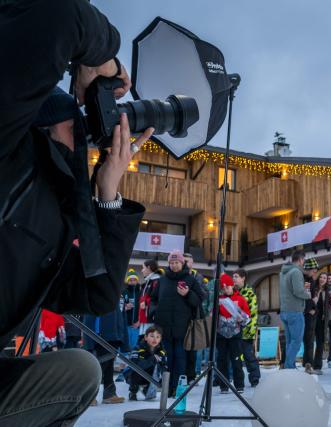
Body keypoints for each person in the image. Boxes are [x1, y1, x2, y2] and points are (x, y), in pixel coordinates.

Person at [0, 1, 153, 423]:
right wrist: (100, 61)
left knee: (79, 371)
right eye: (80, 119)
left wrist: (106, 193)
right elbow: (60, 17)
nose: (93, 128)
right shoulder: (10, 140)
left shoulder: (57, 204)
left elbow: (95, 295)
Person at [151, 250, 205, 396]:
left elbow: (199, 300)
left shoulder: (190, 279)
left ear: (182, 263)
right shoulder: (162, 280)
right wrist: (153, 313)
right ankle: (167, 387)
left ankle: (177, 387)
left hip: (183, 326)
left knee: (180, 357)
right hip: (164, 326)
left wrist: (187, 294)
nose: (174, 265)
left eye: (177, 262)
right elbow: (153, 299)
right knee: (167, 356)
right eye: (172, 263)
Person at [83, 303, 130, 405]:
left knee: (109, 363)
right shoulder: (100, 289)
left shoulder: (117, 291)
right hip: (101, 332)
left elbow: (121, 313)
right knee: (101, 364)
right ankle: (89, 395)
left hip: (114, 331)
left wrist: (122, 336)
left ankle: (109, 394)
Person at [216, 273, 250, 394]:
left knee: (236, 360)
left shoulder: (240, 299)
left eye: (227, 287)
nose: (225, 289)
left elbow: (247, 316)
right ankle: (223, 385)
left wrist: (243, 319)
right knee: (222, 360)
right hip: (221, 334)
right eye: (223, 287)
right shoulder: (218, 299)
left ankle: (239, 384)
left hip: (235, 334)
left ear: (232, 286)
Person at [279, 250, 311, 369]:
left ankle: (289, 365)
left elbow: (289, 290)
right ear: (301, 259)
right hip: (295, 311)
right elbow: (298, 291)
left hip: (285, 310)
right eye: (304, 260)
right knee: (296, 342)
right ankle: (289, 366)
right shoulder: (296, 272)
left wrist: (302, 288)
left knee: (289, 342)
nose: (304, 263)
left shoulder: (282, 272)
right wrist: (308, 294)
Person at [233, 269, 261, 387]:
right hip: (234, 332)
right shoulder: (232, 292)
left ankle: (255, 379)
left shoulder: (249, 293)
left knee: (248, 356)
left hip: (246, 331)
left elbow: (253, 313)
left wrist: (249, 331)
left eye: (236, 276)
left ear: (243, 278)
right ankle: (237, 381)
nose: (234, 279)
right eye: (233, 276)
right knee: (236, 358)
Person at [183, 253, 208, 383]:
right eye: (184, 261)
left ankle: (191, 375)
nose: (186, 264)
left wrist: (190, 292)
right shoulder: (178, 275)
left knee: (192, 347)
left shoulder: (197, 277)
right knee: (181, 347)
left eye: (188, 261)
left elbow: (204, 294)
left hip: (194, 315)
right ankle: (181, 374)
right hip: (180, 316)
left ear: (192, 263)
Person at [126, 326, 167, 401]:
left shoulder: (162, 351)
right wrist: (152, 359)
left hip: (151, 375)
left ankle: (148, 389)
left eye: (158, 337)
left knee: (161, 370)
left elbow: (164, 366)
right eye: (152, 336)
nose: (155, 339)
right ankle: (133, 391)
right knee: (135, 371)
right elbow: (134, 365)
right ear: (145, 337)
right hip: (136, 375)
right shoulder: (137, 348)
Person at [302, 258, 321, 374]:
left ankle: (308, 364)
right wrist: (310, 308)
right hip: (302, 313)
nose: (315, 272)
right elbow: (302, 297)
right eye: (314, 270)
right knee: (295, 339)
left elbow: (313, 297)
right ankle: (284, 363)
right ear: (307, 269)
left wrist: (314, 308)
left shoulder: (312, 281)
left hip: (311, 315)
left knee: (309, 340)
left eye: (316, 270)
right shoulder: (300, 279)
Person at [138, 259, 162, 336]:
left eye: (143, 268)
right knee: (143, 339)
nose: (142, 271)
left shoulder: (156, 281)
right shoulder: (149, 281)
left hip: (151, 318)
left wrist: (145, 302)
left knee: (149, 339)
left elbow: (157, 297)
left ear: (149, 268)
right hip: (145, 318)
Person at [122, 269, 142, 350]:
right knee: (125, 347)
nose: (132, 282)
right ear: (127, 281)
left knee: (134, 346)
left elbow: (145, 310)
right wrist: (125, 307)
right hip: (125, 325)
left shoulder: (141, 293)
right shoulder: (123, 292)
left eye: (134, 280)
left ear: (137, 281)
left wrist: (139, 321)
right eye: (130, 280)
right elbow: (118, 308)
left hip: (136, 325)